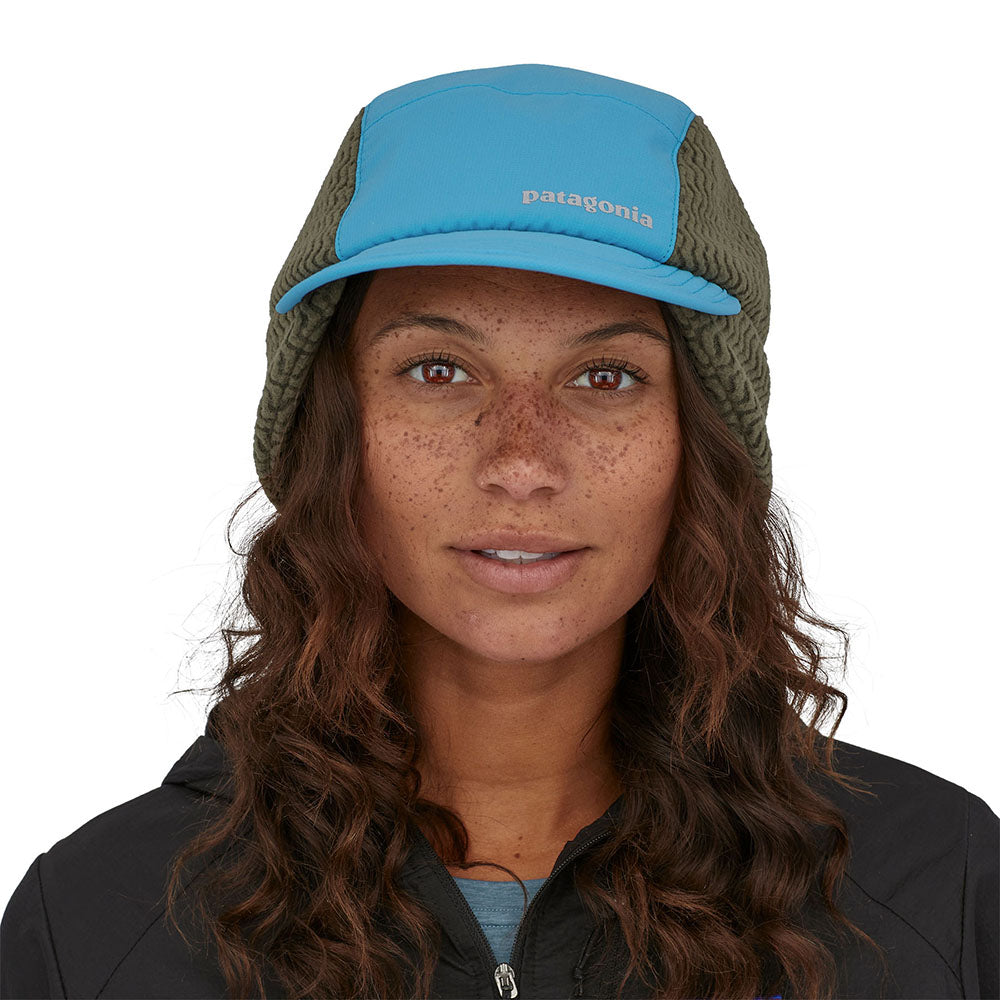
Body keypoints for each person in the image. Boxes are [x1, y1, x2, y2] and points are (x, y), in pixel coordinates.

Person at [1, 62, 997, 1000]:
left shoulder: (937, 897)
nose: (521, 461)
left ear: (701, 446)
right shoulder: (99, 925)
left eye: (604, 376)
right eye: (437, 370)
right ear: (331, 432)